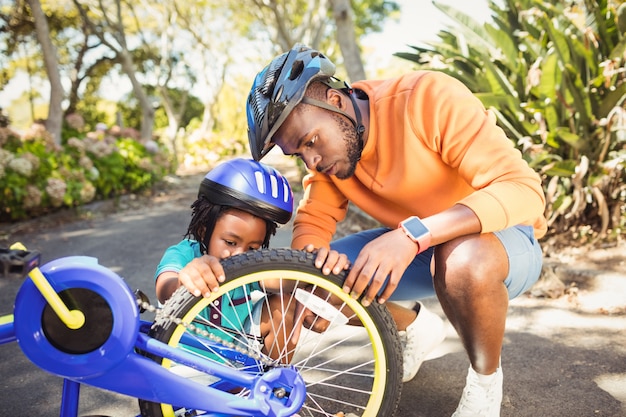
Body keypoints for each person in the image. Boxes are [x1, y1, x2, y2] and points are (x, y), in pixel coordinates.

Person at [246, 44, 547, 417]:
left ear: (336, 101)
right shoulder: (330, 160)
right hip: (421, 250)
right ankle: (416, 327)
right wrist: (309, 282)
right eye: (299, 155)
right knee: (306, 277)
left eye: (310, 142)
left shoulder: (426, 98)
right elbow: (313, 222)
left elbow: (524, 190)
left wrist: (411, 235)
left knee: (462, 259)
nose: (312, 161)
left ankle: (485, 383)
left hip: (498, 244)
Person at [154, 157, 301, 362]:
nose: (240, 255)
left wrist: (310, 275)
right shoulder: (184, 255)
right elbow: (164, 288)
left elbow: (276, 279)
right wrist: (183, 281)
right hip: (181, 366)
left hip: (233, 361)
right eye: (230, 242)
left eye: (252, 248)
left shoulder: (250, 265)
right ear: (204, 230)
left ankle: (272, 385)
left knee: (284, 303)